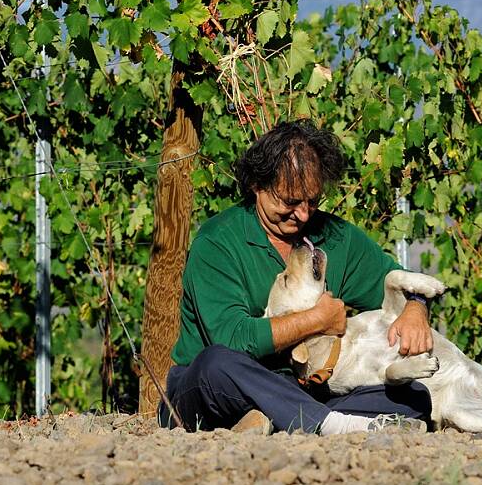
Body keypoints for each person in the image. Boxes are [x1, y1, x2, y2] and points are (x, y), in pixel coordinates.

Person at [159, 120, 434, 435]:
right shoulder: (217, 242)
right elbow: (233, 339)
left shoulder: (334, 237)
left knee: (415, 397)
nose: (303, 214)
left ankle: (278, 419)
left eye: (312, 201)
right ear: (257, 185)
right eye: (290, 201)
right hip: (220, 389)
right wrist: (317, 320)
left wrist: (415, 308)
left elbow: (397, 279)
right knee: (215, 364)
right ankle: (329, 423)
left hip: (304, 389)